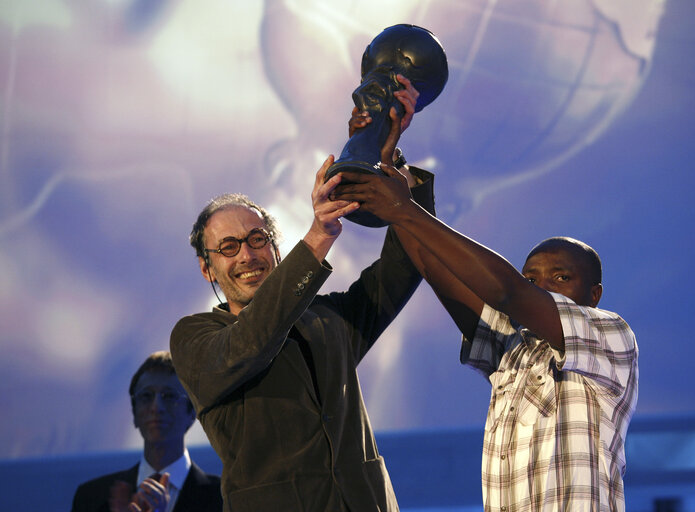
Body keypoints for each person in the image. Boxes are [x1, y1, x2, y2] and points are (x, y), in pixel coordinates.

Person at [169, 77, 434, 511]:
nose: (248, 256)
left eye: (257, 239)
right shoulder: (195, 338)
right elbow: (252, 343)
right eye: (229, 247)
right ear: (207, 269)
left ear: (275, 247)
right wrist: (318, 237)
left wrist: (388, 160)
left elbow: (405, 268)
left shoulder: (327, 319)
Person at [332, 166, 639, 511]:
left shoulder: (611, 335)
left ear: (594, 294)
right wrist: (400, 179)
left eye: (561, 277)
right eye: (533, 280)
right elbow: (433, 265)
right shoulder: (513, 349)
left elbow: (508, 292)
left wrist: (404, 209)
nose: (545, 288)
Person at [71, 351, 222, 512]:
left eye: (169, 396)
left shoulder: (224, 498)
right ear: (134, 414)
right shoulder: (92, 497)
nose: (156, 407)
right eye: (146, 396)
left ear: (192, 413)